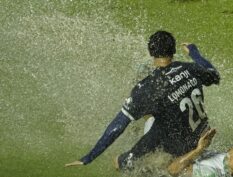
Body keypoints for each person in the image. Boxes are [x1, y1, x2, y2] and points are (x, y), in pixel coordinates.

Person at [65, 31, 220, 170]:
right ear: (173, 50)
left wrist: (89, 157)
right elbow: (214, 74)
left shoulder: (148, 87)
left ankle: (128, 160)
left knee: (121, 162)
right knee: (164, 112)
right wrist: (194, 52)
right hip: (203, 138)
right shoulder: (190, 68)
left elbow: (118, 125)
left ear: (151, 52)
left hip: (176, 147)